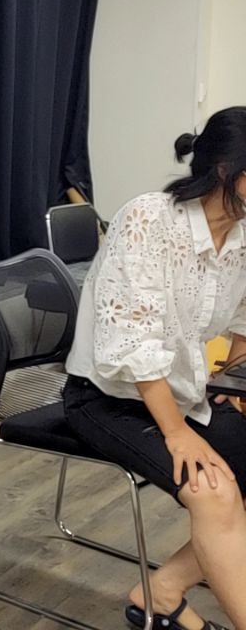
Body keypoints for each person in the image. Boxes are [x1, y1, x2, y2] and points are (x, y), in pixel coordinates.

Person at [63, 107, 246, 630]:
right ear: (227, 173)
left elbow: (244, 316)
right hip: (107, 398)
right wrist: (176, 435)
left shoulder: (241, 235)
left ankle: (160, 592)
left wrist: (235, 382)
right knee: (214, 491)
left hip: (185, 393)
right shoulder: (148, 219)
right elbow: (134, 346)